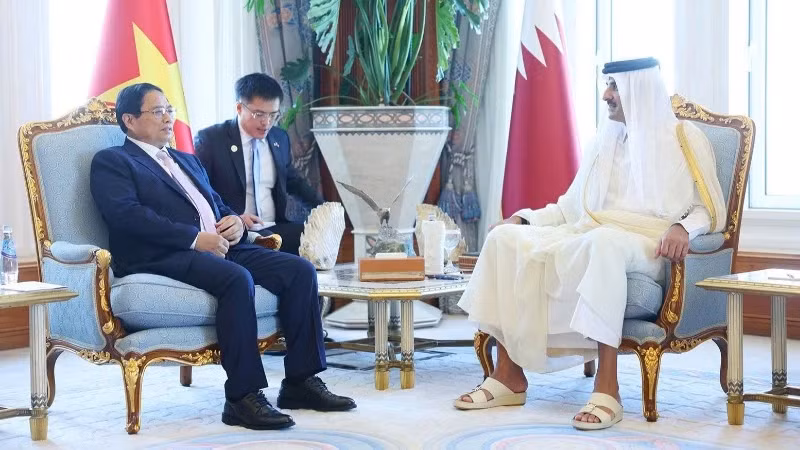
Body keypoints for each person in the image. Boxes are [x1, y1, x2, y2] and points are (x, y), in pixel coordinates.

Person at [452, 58, 726, 430]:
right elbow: (570, 208)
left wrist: (682, 228)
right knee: (505, 239)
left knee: (604, 243)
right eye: (606, 85)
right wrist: (525, 218)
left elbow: (708, 208)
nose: (606, 95)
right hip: (594, 232)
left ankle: (607, 388)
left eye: (613, 86)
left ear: (637, 89)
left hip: (650, 243)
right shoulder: (604, 141)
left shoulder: (684, 138)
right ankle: (508, 376)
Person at [90, 83, 355, 431]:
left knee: (300, 270)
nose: (169, 117)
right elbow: (126, 216)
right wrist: (194, 239)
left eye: (170, 110)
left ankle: (300, 382)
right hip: (160, 255)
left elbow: (216, 204)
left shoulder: (184, 159)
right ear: (130, 120)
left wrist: (235, 223)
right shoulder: (113, 161)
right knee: (235, 278)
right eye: (158, 111)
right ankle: (242, 398)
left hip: (221, 245)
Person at [194, 73, 324, 256]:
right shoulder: (212, 140)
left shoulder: (279, 138)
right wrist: (234, 219)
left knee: (313, 236)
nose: (267, 122)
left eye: (273, 115)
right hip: (237, 232)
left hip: (274, 227)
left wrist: (325, 209)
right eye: (259, 114)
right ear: (239, 108)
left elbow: (294, 182)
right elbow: (201, 191)